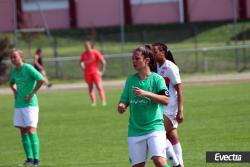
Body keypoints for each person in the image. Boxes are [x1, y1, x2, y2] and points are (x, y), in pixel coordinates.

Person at [118, 46, 170, 167]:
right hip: (135, 130)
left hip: (154, 128)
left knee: (159, 161)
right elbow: (124, 100)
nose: (134, 61)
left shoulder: (157, 79)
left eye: (137, 58)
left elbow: (166, 100)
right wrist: (122, 105)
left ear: (146, 60)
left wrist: (146, 93)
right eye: (132, 59)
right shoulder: (130, 80)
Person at [9, 48, 44, 166]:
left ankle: (36, 160)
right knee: (23, 131)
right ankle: (29, 159)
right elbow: (11, 82)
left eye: (15, 56)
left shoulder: (28, 68)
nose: (13, 59)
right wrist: (14, 91)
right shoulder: (14, 71)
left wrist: (32, 94)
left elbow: (41, 79)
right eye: (11, 57)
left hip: (30, 105)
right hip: (19, 105)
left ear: (21, 57)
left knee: (31, 130)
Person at [153, 43, 184, 167]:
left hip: (170, 108)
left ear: (163, 52)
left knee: (157, 133)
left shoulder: (171, 67)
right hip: (162, 107)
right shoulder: (157, 67)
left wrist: (180, 111)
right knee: (172, 136)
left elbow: (179, 90)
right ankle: (180, 164)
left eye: (156, 52)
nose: (154, 54)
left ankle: (176, 164)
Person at [80, 40, 107, 106]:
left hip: (95, 72)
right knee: (90, 88)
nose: (86, 47)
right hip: (87, 73)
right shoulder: (84, 54)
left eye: (87, 45)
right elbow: (81, 62)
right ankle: (93, 102)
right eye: (85, 46)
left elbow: (103, 61)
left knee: (99, 87)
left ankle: (103, 102)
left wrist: (102, 71)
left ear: (90, 46)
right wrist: (82, 65)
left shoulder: (95, 52)